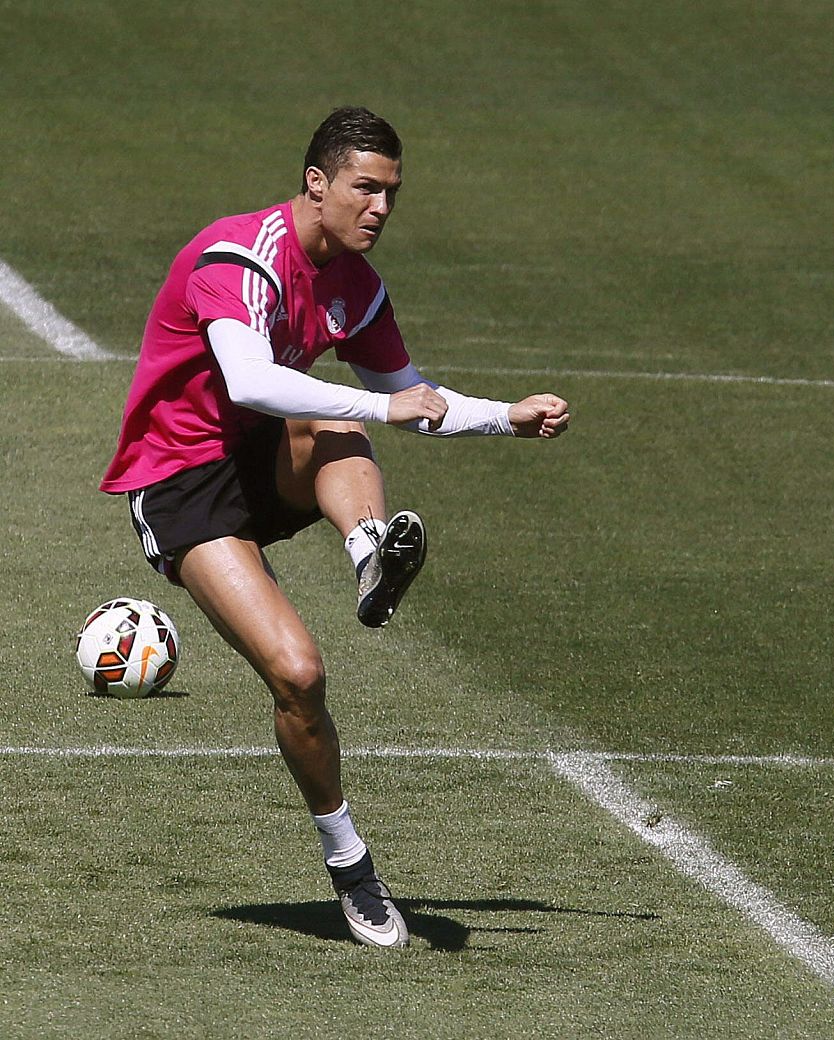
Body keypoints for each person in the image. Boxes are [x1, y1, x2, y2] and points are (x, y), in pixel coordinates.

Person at [99, 106, 570, 948]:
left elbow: (411, 393)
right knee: (299, 675)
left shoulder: (357, 284)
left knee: (345, 422)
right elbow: (251, 381)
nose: (381, 208)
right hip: (181, 485)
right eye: (366, 188)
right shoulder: (238, 259)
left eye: (392, 192)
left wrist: (508, 416)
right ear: (316, 184)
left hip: (263, 460)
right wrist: (385, 405)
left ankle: (368, 555)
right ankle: (350, 863)